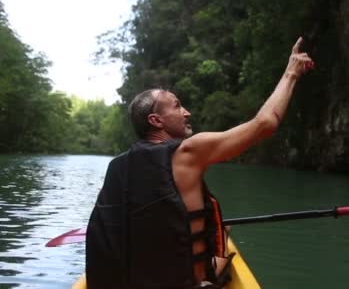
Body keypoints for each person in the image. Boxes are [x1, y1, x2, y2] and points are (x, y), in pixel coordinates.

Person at [85, 37, 314, 288]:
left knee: (219, 232)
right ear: (156, 120)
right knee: (222, 237)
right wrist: (291, 72)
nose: (186, 112)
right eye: (177, 106)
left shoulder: (117, 168)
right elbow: (265, 124)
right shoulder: (190, 152)